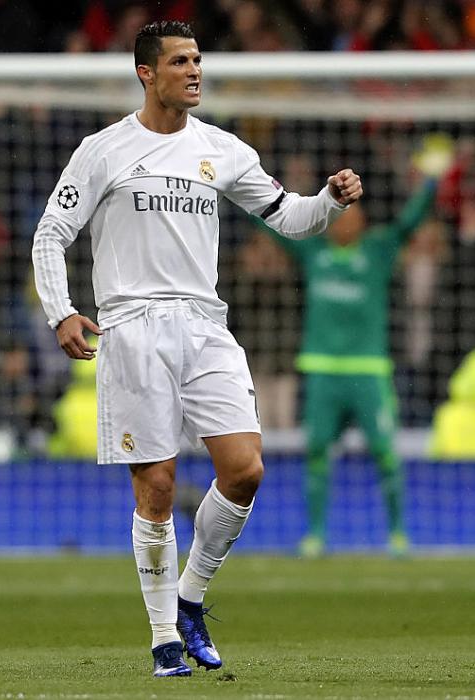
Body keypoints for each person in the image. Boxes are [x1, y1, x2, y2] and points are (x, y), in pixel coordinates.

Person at [30, 21, 362, 679]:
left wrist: (326, 200)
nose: (195, 71)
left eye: (198, 60)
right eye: (180, 61)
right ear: (146, 73)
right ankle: (163, 642)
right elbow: (49, 234)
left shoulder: (223, 149)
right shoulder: (103, 150)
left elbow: (288, 218)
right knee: (155, 487)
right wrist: (60, 310)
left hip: (204, 325)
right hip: (132, 327)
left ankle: (190, 599)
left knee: (245, 470)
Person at [259, 135, 452, 558]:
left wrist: (430, 184)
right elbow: (269, 225)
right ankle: (315, 535)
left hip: (368, 369)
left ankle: (398, 534)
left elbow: (410, 223)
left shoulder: (380, 251)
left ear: (363, 221)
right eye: (341, 214)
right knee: (316, 454)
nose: (348, 221)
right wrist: (239, 191)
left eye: (354, 214)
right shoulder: (313, 253)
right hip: (324, 368)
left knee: (385, 454)